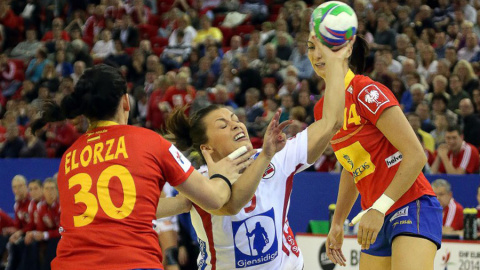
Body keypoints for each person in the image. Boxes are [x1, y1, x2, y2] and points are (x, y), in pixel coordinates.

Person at [30, 64, 280, 270]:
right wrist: (222, 175)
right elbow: (215, 199)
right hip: (133, 263)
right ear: (126, 102)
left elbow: (126, 211)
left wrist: (184, 203)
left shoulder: (69, 158)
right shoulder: (148, 141)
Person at [159, 32, 350, 269]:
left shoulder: (275, 154)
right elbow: (231, 203)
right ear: (207, 147)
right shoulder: (201, 180)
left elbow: (330, 122)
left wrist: (336, 64)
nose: (236, 124)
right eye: (223, 125)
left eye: (235, 119)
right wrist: (183, 201)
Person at [312, 12, 442, 270]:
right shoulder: (321, 110)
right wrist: (337, 223)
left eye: (326, 47)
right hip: (373, 215)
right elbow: (351, 167)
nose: (317, 54)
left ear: (345, 51)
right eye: (311, 47)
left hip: (410, 204)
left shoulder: (366, 91)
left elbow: (416, 154)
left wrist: (380, 208)